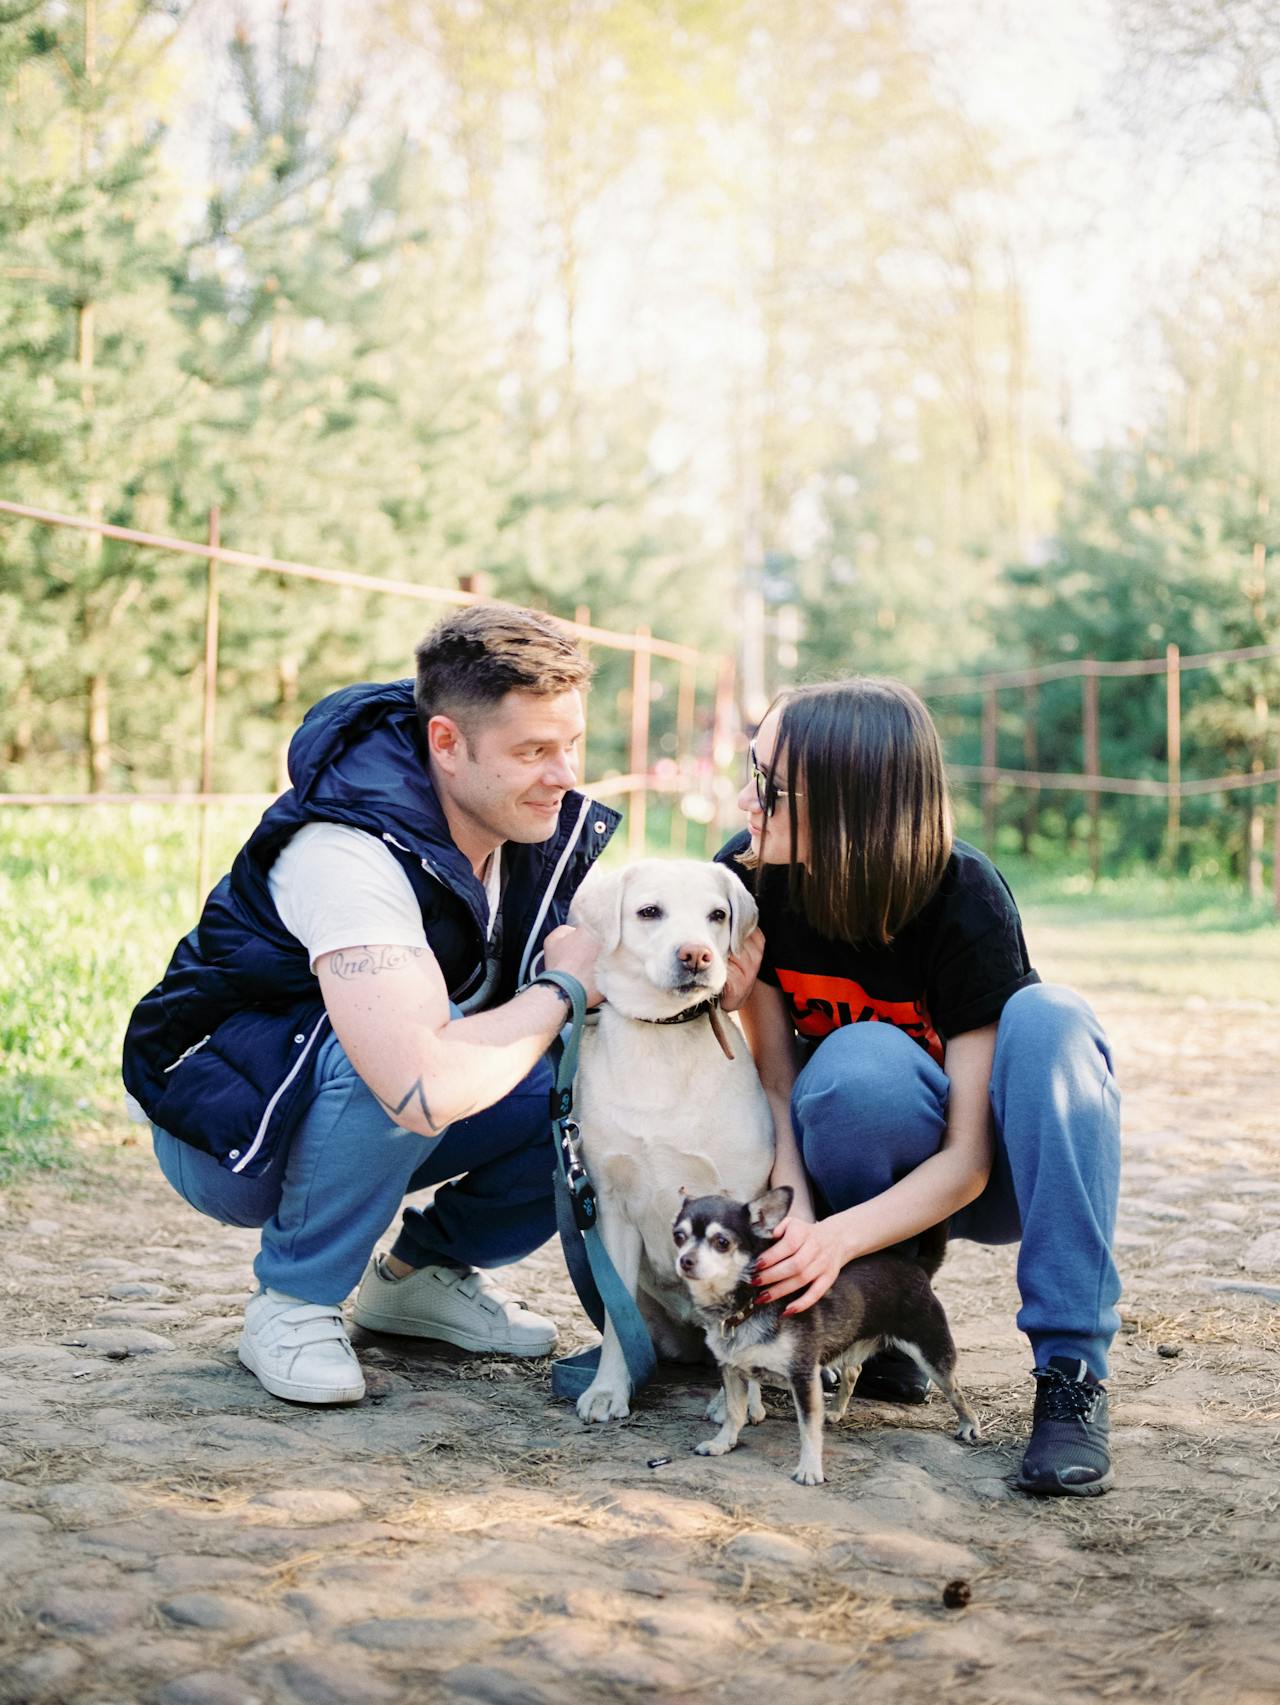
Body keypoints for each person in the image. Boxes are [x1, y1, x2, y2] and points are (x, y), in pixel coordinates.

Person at [122, 605, 612, 1405]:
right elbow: (417, 1083)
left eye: (571, 746)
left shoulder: (523, 825)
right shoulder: (346, 853)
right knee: (394, 1051)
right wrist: (562, 990)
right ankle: (293, 1302)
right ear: (447, 744)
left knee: (592, 1060)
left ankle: (419, 1278)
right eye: (533, 751)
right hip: (232, 1133)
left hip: (359, 1101)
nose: (563, 774)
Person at [716, 678, 1121, 1496]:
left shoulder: (961, 895)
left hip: (985, 1179)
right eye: (748, 770)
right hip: (855, 1144)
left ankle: (1071, 1367)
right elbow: (775, 1085)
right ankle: (883, 1323)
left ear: (848, 802)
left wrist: (834, 1242)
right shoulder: (750, 876)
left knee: (1052, 1018)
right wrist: (797, 1224)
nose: (743, 798)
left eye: (768, 784)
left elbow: (969, 1160)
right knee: (860, 1070)